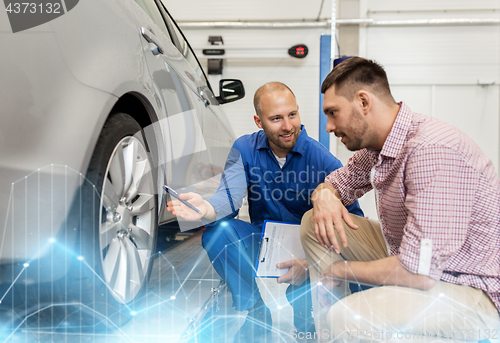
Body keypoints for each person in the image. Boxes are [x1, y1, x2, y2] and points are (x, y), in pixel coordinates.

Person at [301, 57, 500, 342]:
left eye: (333, 112)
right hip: (417, 263)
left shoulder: (430, 150)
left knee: (349, 317)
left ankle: (347, 324)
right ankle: (331, 333)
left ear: (363, 102)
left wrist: (341, 270)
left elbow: (419, 273)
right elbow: (339, 183)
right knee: (315, 223)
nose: (329, 126)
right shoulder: (381, 144)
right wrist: (324, 197)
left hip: (470, 292)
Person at [167, 82, 363, 342]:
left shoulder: (322, 160)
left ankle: (306, 324)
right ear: (259, 121)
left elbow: (354, 222)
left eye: (292, 115)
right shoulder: (245, 149)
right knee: (219, 233)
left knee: (305, 313)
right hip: (264, 242)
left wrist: (312, 263)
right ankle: (256, 310)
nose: (287, 126)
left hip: (308, 251)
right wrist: (207, 208)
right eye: (276, 118)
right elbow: (230, 195)